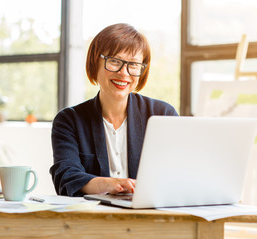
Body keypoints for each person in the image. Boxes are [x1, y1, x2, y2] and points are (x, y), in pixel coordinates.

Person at [50, 23, 178, 197]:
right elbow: (66, 177)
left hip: (150, 215)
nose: (124, 73)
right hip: (93, 217)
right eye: (114, 61)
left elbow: (177, 173)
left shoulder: (162, 114)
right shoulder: (69, 120)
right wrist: (110, 184)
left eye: (133, 65)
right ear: (95, 63)